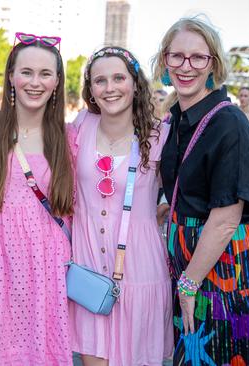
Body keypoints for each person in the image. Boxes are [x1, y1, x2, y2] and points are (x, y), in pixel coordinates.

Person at [153, 17, 249, 365]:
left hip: (224, 274)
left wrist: (188, 285)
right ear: (165, 61)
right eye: (177, 56)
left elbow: (227, 218)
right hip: (197, 269)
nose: (186, 66)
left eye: (198, 57)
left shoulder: (227, 121)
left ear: (213, 63)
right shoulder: (177, 119)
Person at [0, 32, 75, 365]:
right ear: (11, 75)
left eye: (45, 73)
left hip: (47, 273)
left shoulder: (69, 139)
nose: (35, 82)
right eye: (26, 72)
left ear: (57, 81)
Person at [69, 47, 173, 366]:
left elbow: (189, 185)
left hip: (142, 269)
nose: (110, 87)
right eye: (100, 80)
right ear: (90, 89)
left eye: (118, 78)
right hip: (87, 270)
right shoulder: (80, 126)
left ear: (135, 83)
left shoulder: (160, 135)